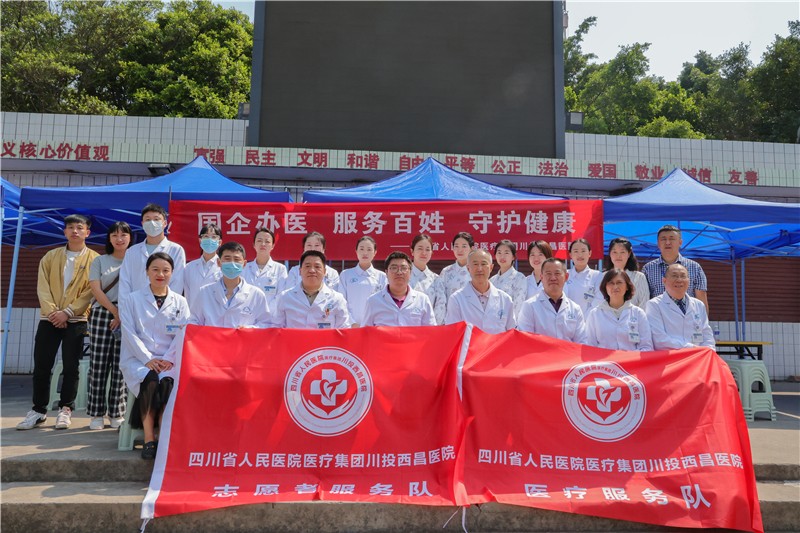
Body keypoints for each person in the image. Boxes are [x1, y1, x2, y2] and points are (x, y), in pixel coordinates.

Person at [17, 215, 99, 431]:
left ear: (87, 232)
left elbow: (92, 290)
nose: (75, 231)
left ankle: (66, 409)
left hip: (77, 319)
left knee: (71, 366)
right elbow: (42, 286)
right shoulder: (50, 256)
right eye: (70, 227)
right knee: (42, 365)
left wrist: (69, 312)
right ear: (64, 232)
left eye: (79, 227)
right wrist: (54, 312)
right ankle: (38, 410)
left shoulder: (95, 259)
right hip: (49, 319)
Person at [119, 252, 190, 459]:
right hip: (138, 359)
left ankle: (164, 437)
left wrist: (167, 358)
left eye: (166, 270)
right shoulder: (132, 300)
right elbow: (129, 333)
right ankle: (149, 439)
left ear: (172, 273)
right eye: (155, 270)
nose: (161, 274)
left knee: (167, 383)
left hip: (169, 360)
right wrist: (147, 359)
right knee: (150, 381)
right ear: (147, 272)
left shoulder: (180, 302)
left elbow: (183, 333)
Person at [86, 221, 133, 430]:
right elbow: (96, 290)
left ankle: (117, 412)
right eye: (115, 235)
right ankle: (96, 414)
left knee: (121, 365)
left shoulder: (135, 261)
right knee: (98, 365)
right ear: (109, 238)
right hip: (102, 314)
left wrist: (123, 313)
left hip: (128, 314)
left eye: (124, 235)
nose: (119, 239)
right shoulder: (99, 261)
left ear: (130, 237)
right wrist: (115, 312)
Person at [190, 242, 270, 328]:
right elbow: (193, 321)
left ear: (244, 264)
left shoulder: (257, 295)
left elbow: (265, 324)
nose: (232, 263)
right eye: (227, 259)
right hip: (211, 337)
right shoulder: (204, 292)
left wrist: (249, 329)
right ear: (219, 262)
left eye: (236, 259)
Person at [118, 203, 186, 301]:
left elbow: (177, 282)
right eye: (148, 220)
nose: (152, 223)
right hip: (135, 306)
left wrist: (167, 305)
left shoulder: (176, 250)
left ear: (165, 223)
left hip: (164, 306)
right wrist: (126, 308)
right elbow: (124, 283)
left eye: (156, 219)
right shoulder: (131, 251)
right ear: (142, 224)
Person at [272, 250, 351, 329]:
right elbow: (277, 328)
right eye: (307, 266)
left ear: (324, 272)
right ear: (300, 271)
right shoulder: (285, 297)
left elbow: (343, 330)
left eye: (317, 267)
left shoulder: (337, 299)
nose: (312, 270)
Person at [517, 258, 588, 344]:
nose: (553, 278)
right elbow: (525, 340)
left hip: (568, 353)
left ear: (566, 277)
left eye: (557, 273)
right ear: (541, 277)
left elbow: (582, 341)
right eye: (548, 274)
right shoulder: (529, 306)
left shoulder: (575, 309)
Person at [646, 263, 715, 350]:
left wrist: (709, 350)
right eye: (674, 276)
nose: (679, 280)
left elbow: (707, 335)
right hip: (671, 356)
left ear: (688, 281)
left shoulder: (699, 305)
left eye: (683, 276)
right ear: (664, 281)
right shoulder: (654, 305)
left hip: (697, 356)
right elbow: (659, 340)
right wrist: (692, 348)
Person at [445, 249, 515, 334]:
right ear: (468, 268)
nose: (479, 269)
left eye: (483, 264)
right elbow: (452, 333)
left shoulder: (505, 300)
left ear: (491, 267)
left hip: (498, 343)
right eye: (475, 264)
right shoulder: (456, 299)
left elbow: (511, 333)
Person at [642, 225, 709, 311]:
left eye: (672, 239)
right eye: (663, 239)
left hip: (687, 316)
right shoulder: (648, 269)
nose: (667, 242)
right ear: (658, 243)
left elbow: (701, 301)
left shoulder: (695, 267)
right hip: (658, 316)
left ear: (680, 242)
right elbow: (644, 299)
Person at [586, 269, 654, 351]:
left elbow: (646, 347)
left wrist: (627, 357)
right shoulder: (595, 314)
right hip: (604, 359)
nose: (615, 287)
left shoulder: (638, 313)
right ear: (605, 287)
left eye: (619, 282)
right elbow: (590, 346)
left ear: (627, 287)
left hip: (631, 359)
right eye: (611, 283)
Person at [362, 252, 436, 327]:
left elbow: (431, 331)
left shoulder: (422, 300)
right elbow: (365, 332)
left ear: (410, 272)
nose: (399, 272)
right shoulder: (373, 301)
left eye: (404, 268)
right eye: (394, 268)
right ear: (386, 272)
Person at [339, 236, 387, 327]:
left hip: (373, 326)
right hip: (350, 327)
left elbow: (384, 304)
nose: (365, 253)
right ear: (356, 251)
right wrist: (352, 323)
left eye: (369, 249)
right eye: (361, 249)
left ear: (375, 252)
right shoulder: (346, 275)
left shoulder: (382, 277)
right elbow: (341, 302)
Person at [241, 227, 288, 311]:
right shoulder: (245, 268)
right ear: (254, 245)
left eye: (267, 241)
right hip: (247, 313)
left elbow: (281, 295)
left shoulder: (280, 269)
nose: (263, 244)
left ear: (273, 245)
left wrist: (266, 311)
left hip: (271, 315)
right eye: (259, 241)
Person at [182, 223, 223, 309]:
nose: (210, 240)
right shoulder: (189, 267)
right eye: (206, 236)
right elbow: (187, 295)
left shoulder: (224, 267)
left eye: (214, 237)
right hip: (193, 313)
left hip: (216, 314)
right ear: (200, 240)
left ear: (220, 242)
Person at [409, 234, 445, 324]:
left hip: (430, 328)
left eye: (428, 249)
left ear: (431, 253)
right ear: (412, 251)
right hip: (406, 327)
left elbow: (440, 305)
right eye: (420, 248)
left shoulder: (436, 279)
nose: (424, 253)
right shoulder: (403, 276)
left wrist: (432, 326)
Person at [604, 237, 650, 309]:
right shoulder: (602, 276)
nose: (618, 256)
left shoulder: (639, 277)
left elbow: (644, 303)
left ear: (629, 254)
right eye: (614, 252)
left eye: (622, 252)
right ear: (610, 254)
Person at [489, 239, 527, 319]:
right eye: (499, 253)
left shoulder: (519, 278)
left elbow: (518, 305)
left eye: (506, 253)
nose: (502, 256)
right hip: (493, 322)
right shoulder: (492, 281)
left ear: (513, 257)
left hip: (511, 322)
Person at [438, 232, 474, 313]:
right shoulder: (446, 272)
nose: (460, 250)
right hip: (450, 317)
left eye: (464, 246)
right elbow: (441, 299)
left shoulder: (476, 271)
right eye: (456, 246)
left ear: (471, 248)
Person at [564, 238, 602, 315]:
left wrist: (584, 319)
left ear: (589, 253)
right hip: (567, 318)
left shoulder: (598, 276)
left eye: (583, 251)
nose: (580, 255)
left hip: (590, 319)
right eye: (576, 251)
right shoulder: (564, 274)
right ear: (570, 254)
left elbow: (599, 300)